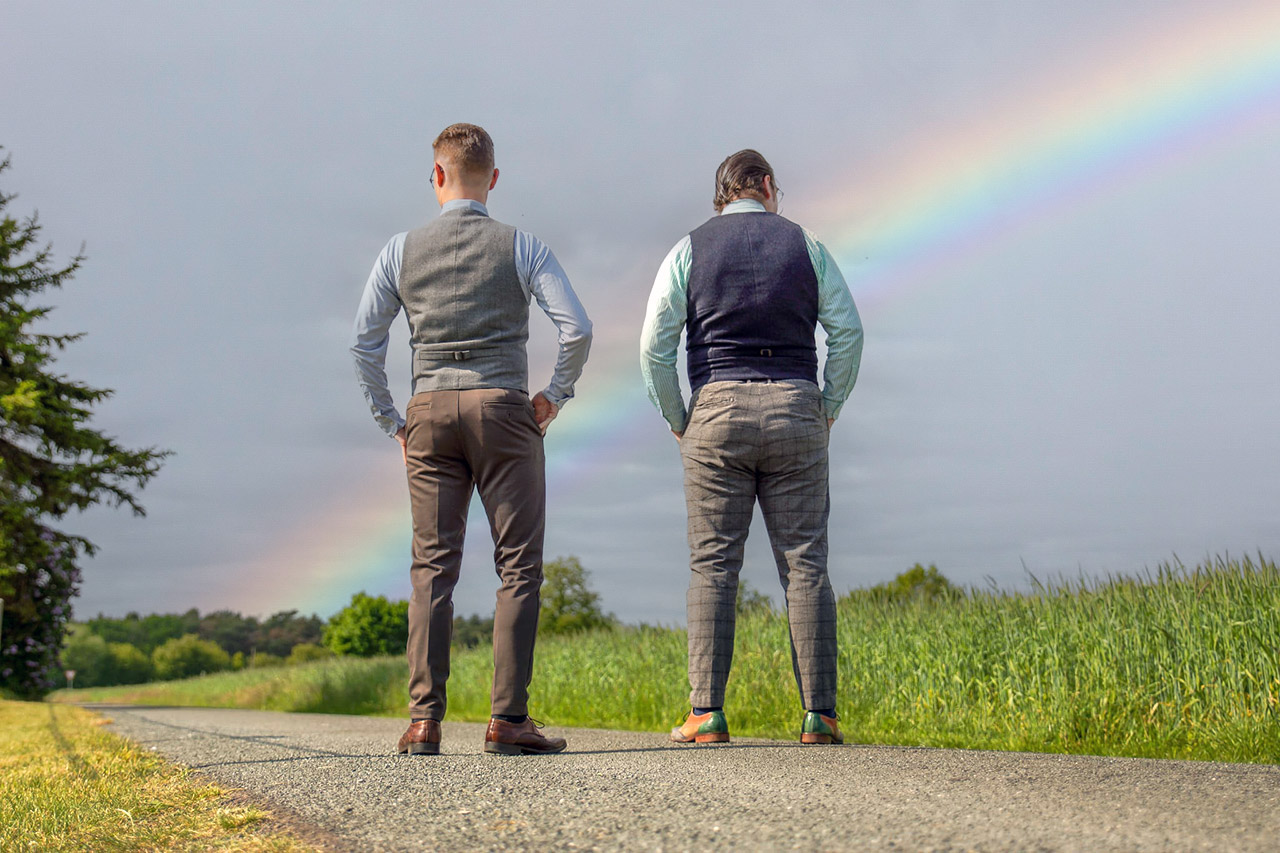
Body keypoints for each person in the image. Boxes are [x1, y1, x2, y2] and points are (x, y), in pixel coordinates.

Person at [351, 123, 592, 756]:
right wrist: (553, 396)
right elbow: (578, 329)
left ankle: (424, 720)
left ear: (436, 175)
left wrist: (393, 421)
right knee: (518, 566)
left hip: (428, 411)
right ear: (492, 179)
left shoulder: (398, 251)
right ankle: (508, 720)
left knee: (433, 567)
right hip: (506, 409)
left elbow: (363, 345)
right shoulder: (523, 246)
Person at [640, 149, 863, 745]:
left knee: (713, 564)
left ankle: (706, 713)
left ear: (720, 194)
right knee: (805, 564)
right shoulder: (808, 245)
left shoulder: (687, 249)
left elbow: (654, 347)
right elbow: (848, 331)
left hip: (715, 409)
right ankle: (821, 715)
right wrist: (828, 406)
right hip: (796, 405)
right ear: (766, 185)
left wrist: (680, 418)